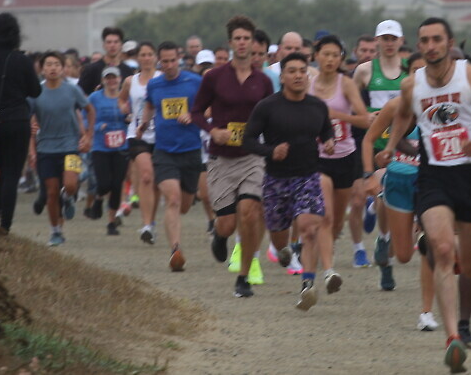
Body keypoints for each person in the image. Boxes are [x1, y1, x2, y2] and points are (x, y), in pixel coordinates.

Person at [379, 17, 471, 374]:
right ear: (419, 45)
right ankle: (451, 337)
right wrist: (391, 146)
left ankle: (464, 323)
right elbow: (402, 115)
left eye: (437, 39)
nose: (430, 46)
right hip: (433, 178)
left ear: (450, 43)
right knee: (440, 248)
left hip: (470, 178)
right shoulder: (412, 84)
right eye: (424, 40)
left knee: (470, 264)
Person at [242, 52, 335, 310]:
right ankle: (283, 250)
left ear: (308, 75)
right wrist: (271, 151)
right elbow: (248, 140)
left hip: (308, 176)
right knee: (279, 236)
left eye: (302, 71)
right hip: (276, 180)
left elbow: (326, 129)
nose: (298, 76)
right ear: (282, 77)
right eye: (292, 71)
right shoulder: (267, 107)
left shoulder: (317, 106)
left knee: (309, 228)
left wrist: (329, 141)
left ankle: (307, 285)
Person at [191, 16, 274, 298]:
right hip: (221, 159)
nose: (242, 43)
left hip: (252, 157)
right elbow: (195, 112)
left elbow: (271, 118)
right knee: (227, 223)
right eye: (237, 38)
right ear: (230, 43)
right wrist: (213, 131)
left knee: (250, 213)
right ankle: (219, 234)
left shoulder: (262, 81)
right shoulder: (214, 77)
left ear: (252, 43)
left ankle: (243, 276)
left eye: (246, 38)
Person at [363, 53, 439, 329]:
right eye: (415, 71)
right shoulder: (395, 106)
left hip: (429, 183)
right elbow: (369, 140)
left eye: (425, 71)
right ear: (407, 76)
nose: (420, 77)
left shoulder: (441, 107)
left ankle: (426, 312)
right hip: (398, 181)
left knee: (429, 244)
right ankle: (385, 239)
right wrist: (369, 175)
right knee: (404, 255)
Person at [309, 35, 370, 294]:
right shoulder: (308, 85)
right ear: (316, 56)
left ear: (341, 59)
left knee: (335, 224)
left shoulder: (346, 84)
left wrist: (336, 116)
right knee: (326, 216)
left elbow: (365, 119)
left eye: (335, 55)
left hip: (345, 157)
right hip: (317, 158)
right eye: (326, 54)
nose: (330, 59)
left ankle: (323, 252)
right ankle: (328, 271)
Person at [137, 42, 203, 272]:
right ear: (159, 62)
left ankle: (175, 240)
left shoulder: (194, 81)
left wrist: (192, 115)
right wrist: (144, 123)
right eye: (164, 61)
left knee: (184, 205)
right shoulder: (155, 84)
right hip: (164, 151)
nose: (169, 65)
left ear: (179, 59)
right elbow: (149, 105)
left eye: (173, 60)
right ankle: (175, 250)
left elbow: (208, 108)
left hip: (191, 150)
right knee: (172, 199)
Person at [350, 19, 407, 268]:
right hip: (373, 143)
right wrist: (366, 115)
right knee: (382, 191)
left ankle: (378, 219)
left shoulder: (411, 71)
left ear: (401, 41)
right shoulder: (364, 71)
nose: (389, 43)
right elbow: (351, 101)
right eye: (385, 39)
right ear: (378, 41)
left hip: (402, 143)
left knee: (393, 200)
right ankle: (380, 235)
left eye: (393, 39)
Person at [30, 51, 95, 246]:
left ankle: (67, 197)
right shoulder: (36, 92)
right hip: (46, 148)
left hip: (70, 146)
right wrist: (31, 149)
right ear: (42, 69)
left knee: (71, 184)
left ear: (63, 68)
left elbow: (90, 110)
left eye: (57, 64)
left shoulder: (72, 90)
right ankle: (56, 232)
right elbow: (29, 120)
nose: (53, 68)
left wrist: (88, 136)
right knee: (51, 192)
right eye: (48, 64)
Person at [0, 13, 41, 234]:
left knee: (1, 172)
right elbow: (35, 91)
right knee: (11, 173)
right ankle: (5, 226)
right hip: (17, 120)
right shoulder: (21, 59)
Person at [119, 42, 162, 245]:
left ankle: (151, 222)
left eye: (149, 54)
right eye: (143, 55)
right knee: (146, 176)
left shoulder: (162, 78)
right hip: (137, 135)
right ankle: (146, 225)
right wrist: (125, 110)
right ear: (137, 58)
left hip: (161, 134)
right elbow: (121, 100)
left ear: (155, 57)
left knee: (156, 183)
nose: (146, 58)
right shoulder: (130, 81)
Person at [88, 67, 130, 235]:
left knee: (117, 184)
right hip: (100, 146)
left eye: (114, 78)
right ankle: (99, 198)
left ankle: (111, 223)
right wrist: (98, 126)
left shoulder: (126, 97)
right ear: (103, 80)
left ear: (120, 79)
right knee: (104, 183)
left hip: (121, 146)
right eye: (108, 78)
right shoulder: (95, 98)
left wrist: (128, 118)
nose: (111, 81)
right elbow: (85, 117)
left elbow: (135, 115)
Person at [78, 27, 135, 95]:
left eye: (116, 42)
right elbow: (79, 94)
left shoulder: (127, 71)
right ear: (103, 45)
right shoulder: (91, 70)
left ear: (121, 45)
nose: (112, 45)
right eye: (109, 42)